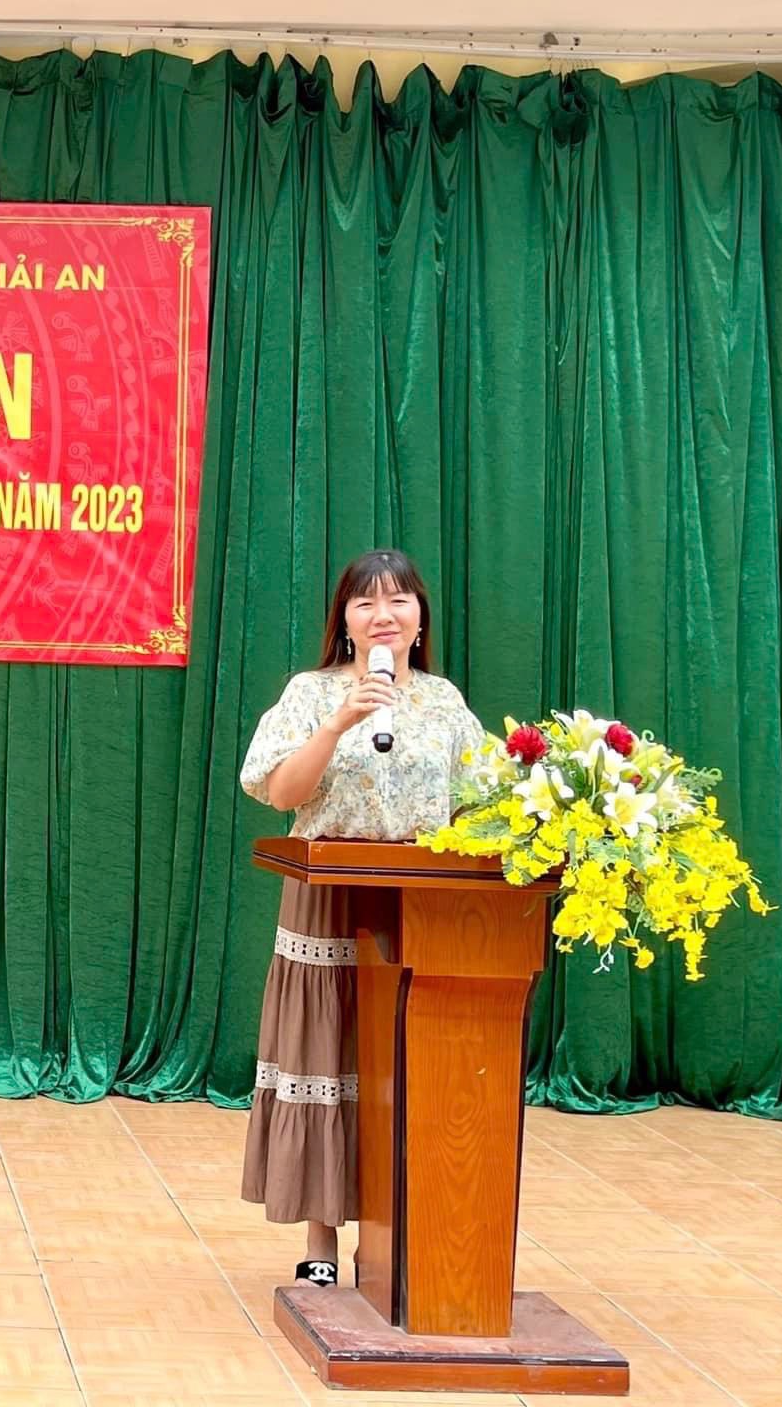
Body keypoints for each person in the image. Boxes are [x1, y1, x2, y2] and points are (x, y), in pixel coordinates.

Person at [237, 548, 485, 1288]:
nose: (384, 615)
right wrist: (339, 722)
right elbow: (282, 793)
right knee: (326, 1056)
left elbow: (481, 802)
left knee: (403, 1065)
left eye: (399, 600)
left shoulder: (444, 702)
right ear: (344, 621)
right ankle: (320, 1239)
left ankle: (394, 1240)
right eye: (366, 602)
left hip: (422, 903)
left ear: (420, 618)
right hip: (329, 898)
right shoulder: (310, 693)